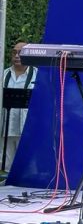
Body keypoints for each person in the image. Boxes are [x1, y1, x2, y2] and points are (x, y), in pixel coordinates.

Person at [2, 41, 37, 171]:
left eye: (20, 53)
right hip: (6, 128)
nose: (17, 56)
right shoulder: (3, 74)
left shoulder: (38, 75)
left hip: (28, 128)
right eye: (14, 52)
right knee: (5, 166)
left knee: (28, 167)